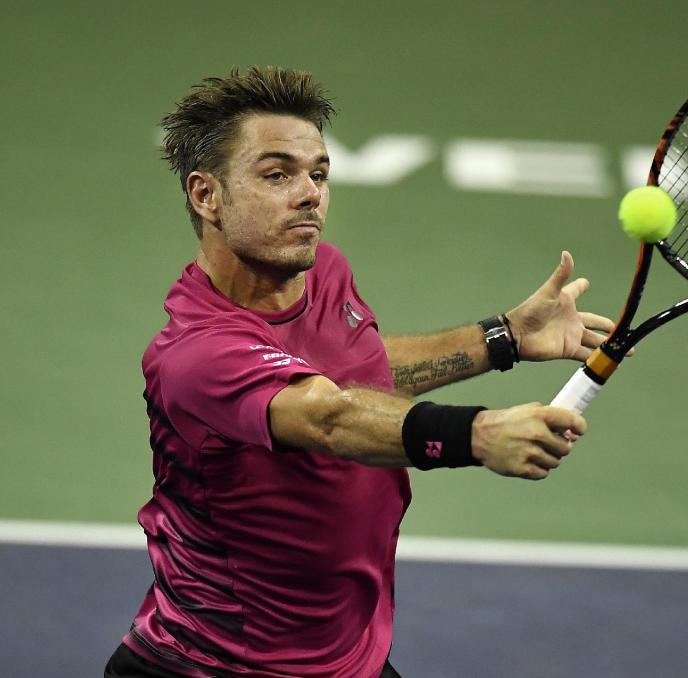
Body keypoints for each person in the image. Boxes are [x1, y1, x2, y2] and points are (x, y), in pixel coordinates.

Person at [105, 66, 615, 678]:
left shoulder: (322, 275)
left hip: (346, 660)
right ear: (206, 195)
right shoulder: (196, 354)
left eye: (319, 173)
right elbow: (328, 414)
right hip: (217, 666)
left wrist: (500, 338)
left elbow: (357, 372)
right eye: (277, 175)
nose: (309, 194)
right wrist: (476, 434)